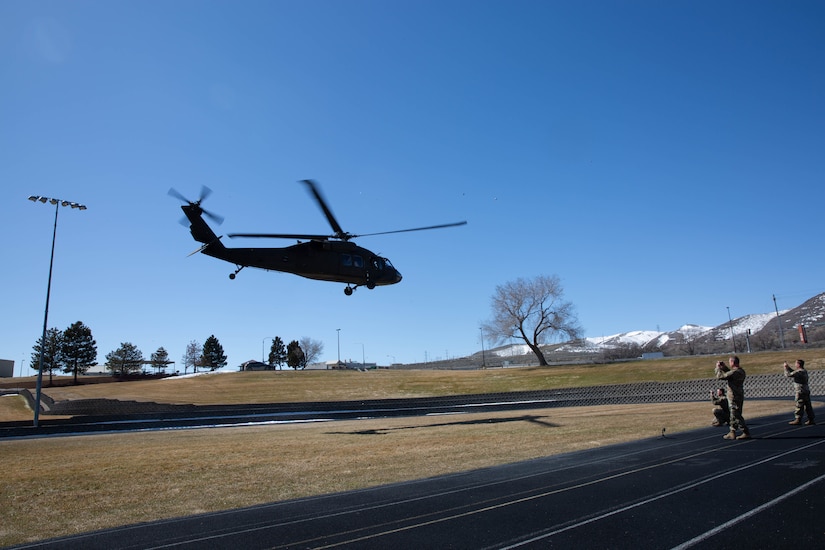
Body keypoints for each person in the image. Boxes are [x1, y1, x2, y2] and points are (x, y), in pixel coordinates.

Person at [715, 356, 750, 440]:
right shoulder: (740, 371)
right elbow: (730, 374)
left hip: (734, 396)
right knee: (733, 415)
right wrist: (724, 367)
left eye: (730, 362)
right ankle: (732, 432)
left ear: (733, 363)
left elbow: (721, 376)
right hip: (738, 395)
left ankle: (745, 432)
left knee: (736, 415)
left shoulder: (735, 372)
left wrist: (718, 368)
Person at [784, 359, 816, 426]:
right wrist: (788, 367)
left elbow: (788, 375)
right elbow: (794, 372)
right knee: (808, 406)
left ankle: (798, 419)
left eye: (796, 363)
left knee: (799, 405)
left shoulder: (799, 372)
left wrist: (785, 368)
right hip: (806, 390)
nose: (795, 365)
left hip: (800, 391)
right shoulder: (803, 371)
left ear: (798, 364)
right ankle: (811, 419)